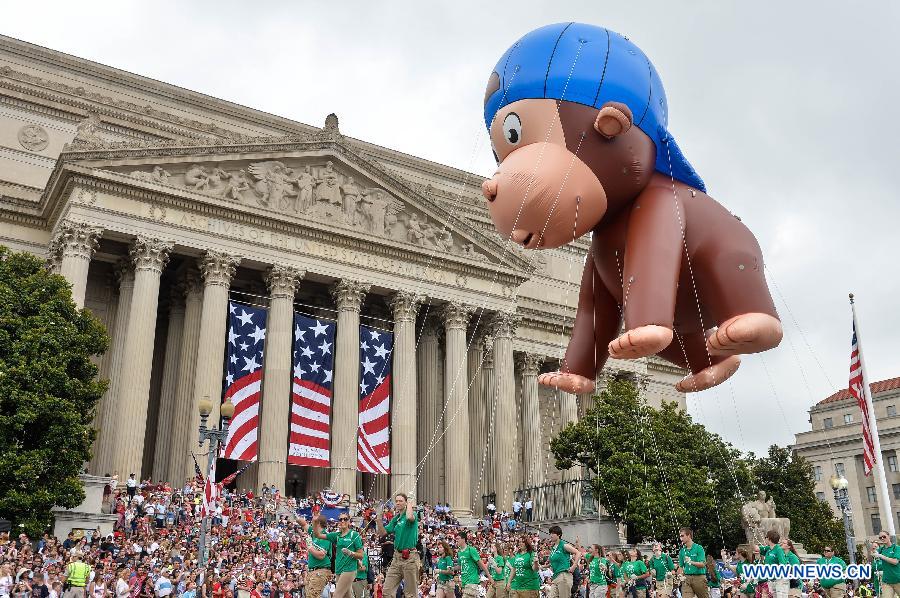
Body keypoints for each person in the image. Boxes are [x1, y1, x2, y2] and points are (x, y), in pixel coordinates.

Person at [376, 493, 420, 598]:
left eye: (401, 501)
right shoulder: (396, 519)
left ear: (405, 502)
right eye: (397, 501)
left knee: (410, 594)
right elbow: (383, 533)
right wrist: (378, 518)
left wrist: (410, 502)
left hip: (410, 557)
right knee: (387, 592)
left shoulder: (412, 515)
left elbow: (409, 517)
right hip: (397, 557)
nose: (398, 503)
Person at [317, 513, 363, 598]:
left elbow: (361, 555)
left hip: (349, 569)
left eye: (345, 519)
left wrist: (350, 553)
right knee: (347, 596)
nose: (342, 521)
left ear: (349, 521)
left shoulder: (354, 535)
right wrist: (315, 521)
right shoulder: (336, 535)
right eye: (340, 519)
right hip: (339, 569)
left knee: (336, 596)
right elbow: (318, 535)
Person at [545, 526, 581, 598]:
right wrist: (543, 566)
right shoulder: (553, 548)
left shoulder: (564, 545)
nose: (550, 535)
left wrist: (573, 566)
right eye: (550, 533)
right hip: (555, 576)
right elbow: (553, 563)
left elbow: (578, 553)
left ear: (559, 535)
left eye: (553, 533)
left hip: (564, 575)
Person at [302, 515, 333, 598]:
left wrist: (309, 547)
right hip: (313, 571)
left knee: (313, 596)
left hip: (320, 570)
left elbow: (321, 556)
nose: (311, 524)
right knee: (310, 596)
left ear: (318, 523)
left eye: (313, 522)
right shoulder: (313, 532)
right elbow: (303, 523)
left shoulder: (325, 535)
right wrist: (293, 510)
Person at [456, 531, 491, 598]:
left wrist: (489, 576)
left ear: (463, 539)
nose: (456, 540)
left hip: (472, 581)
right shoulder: (459, 552)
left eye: (458, 538)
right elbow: (460, 566)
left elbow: (481, 564)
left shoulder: (471, 550)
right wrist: (452, 568)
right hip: (464, 582)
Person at [677, 528, 708, 598]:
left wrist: (691, 562)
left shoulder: (699, 548)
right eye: (680, 536)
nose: (680, 538)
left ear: (689, 536)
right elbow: (681, 567)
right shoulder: (682, 551)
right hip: (686, 578)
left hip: (699, 578)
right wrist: (679, 575)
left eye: (682, 536)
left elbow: (702, 564)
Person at [873, 530, 900, 598]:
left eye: (884, 536)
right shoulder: (881, 550)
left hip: (898, 580)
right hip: (886, 582)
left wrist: (881, 556)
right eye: (880, 538)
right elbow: (873, 553)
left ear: (889, 536)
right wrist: (873, 549)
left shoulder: (896, 548)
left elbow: (895, 562)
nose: (882, 538)